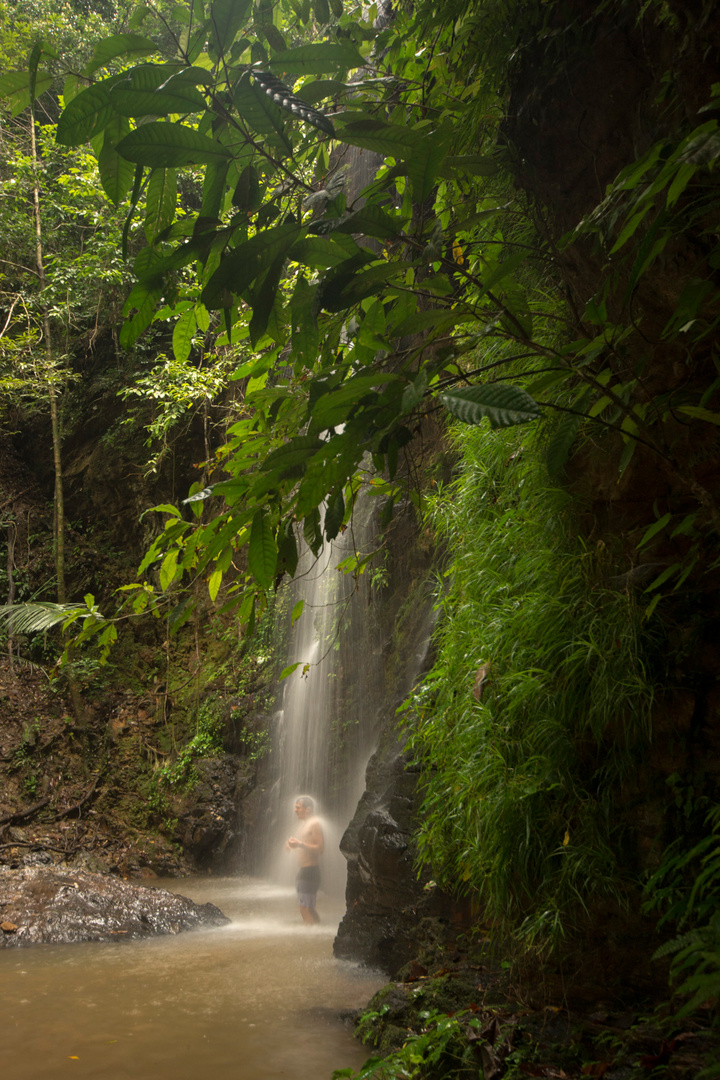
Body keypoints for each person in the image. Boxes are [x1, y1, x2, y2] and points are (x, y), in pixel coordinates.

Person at [286, 795, 324, 925]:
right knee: (309, 909)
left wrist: (300, 844)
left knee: (305, 909)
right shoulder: (305, 825)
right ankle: (317, 933)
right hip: (305, 871)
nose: (295, 810)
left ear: (308, 809)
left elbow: (320, 848)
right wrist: (292, 846)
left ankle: (311, 938)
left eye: (298, 808)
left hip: (310, 872)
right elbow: (303, 846)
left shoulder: (315, 824)